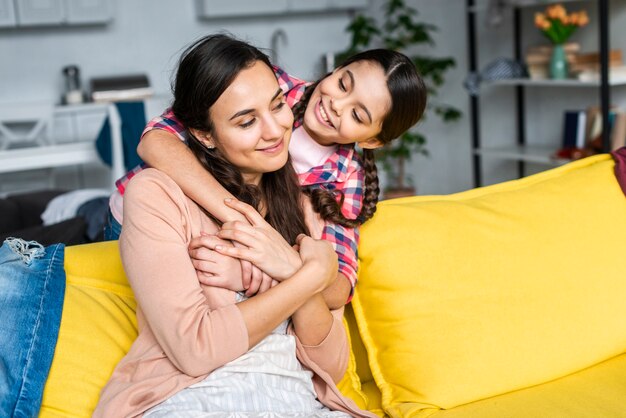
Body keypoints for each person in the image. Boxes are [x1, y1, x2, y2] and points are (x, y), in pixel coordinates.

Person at [93, 34, 374, 418]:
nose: (275, 131)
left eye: (278, 106)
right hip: (190, 400)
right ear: (204, 134)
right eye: (247, 122)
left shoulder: (308, 206)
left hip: (297, 404)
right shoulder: (157, 196)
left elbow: (331, 363)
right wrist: (308, 276)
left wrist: (286, 269)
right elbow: (197, 349)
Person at [104, 41, 427, 308]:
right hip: (145, 215)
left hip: (213, 243)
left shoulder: (346, 178)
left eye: (357, 114)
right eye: (343, 83)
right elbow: (155, 142)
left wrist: (277, 266)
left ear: (372, 139)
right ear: (337, 68)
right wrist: (247, 222)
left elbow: (339, 285)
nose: (336, 105)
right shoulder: (274, 87)